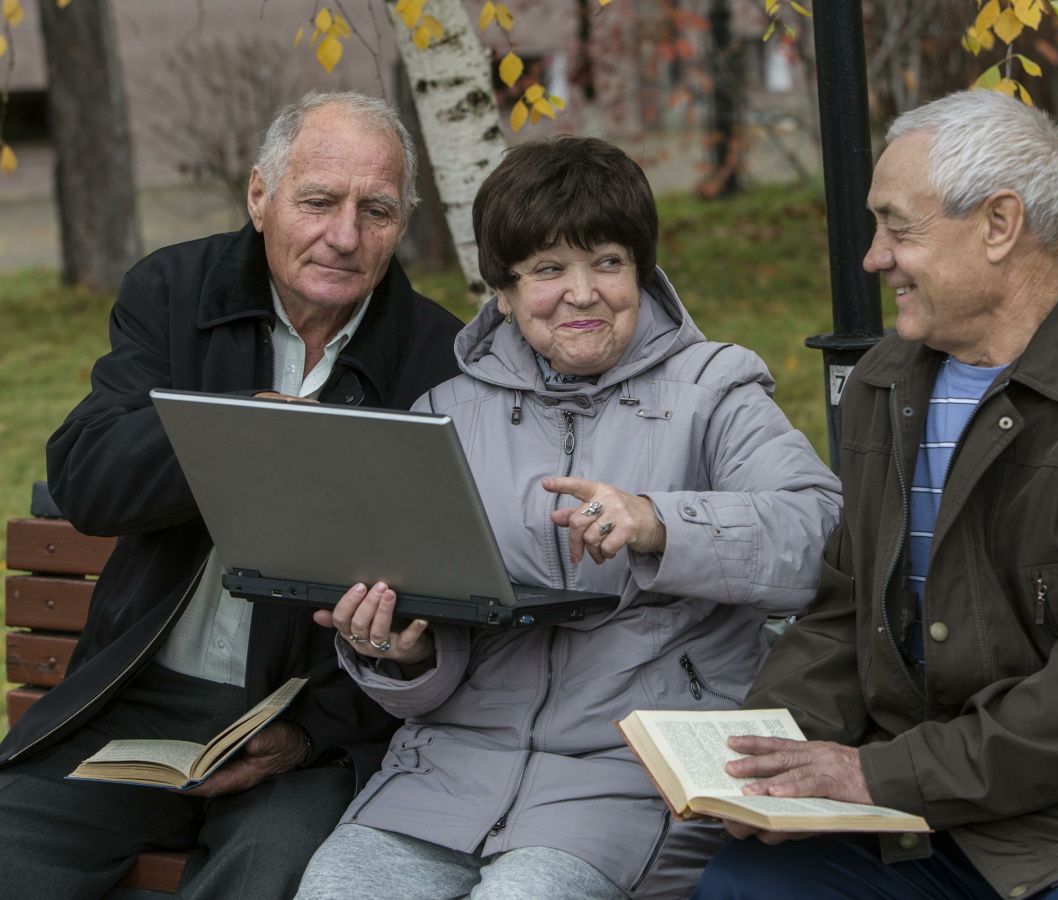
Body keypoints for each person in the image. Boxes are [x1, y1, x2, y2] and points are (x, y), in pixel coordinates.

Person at [291, 135, 843, 900]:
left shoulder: (715, 389)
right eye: (548, 270)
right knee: (336, 889)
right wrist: (401, 654)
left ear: (640, 272)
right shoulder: (444, 415)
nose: (582, 293)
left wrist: (657, 523)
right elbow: (428, 652)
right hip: (449, 771)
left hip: (633, 772)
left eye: (607, 262)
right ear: (505, 294)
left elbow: (820, 535)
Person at [691, 90, 1058, 900]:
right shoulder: (882, 386)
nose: (873, 257)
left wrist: (877, 776)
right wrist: (764, 755)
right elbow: (841, 614)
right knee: (743, 889)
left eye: (899, 227)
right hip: (912, 817)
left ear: (1000, 225)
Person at [0, 91, 462, 899]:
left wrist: (309, 733)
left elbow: (450, 605)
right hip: (139, 700)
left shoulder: (441, 357)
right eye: (318, 200)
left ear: (403, 221)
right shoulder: (177, 291)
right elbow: (88, 479)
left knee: (271, 870)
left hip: (306, 728)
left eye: (376, 211)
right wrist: (241, 438)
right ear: (260, 196)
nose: (344, 236)